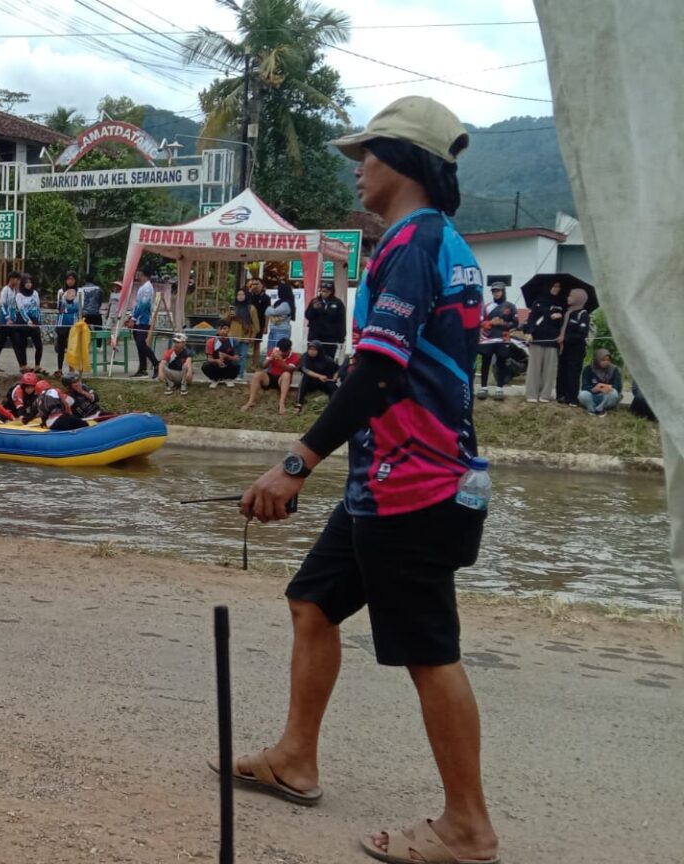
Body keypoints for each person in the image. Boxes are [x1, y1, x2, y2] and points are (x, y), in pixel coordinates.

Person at [230, 95, 499, 864]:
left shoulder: (412, 244)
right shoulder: (438, 241)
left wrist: (294, 463)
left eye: (368, 155)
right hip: (386, 479)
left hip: (416, 483)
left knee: (428, 651)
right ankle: (295, 756)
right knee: (313, 601)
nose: (359, 171)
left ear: (406, 162)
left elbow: (379, 372)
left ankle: (468, 827)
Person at [524, 280, 565, 403]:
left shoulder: (561, 304)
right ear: (548, 287)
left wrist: (560, 316)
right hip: (537, 339)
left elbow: (565, 324)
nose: (556, 289)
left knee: (549, 370)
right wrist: (530, 332)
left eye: (558, 286)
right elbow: (531, 320)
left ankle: (545, 395)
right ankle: (532, 393)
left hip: (553, 341)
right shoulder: (537, 302)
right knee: (534, 368)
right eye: (554, 286)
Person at [476, 281, 518, 399]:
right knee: (485, 362)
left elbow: (515, 323)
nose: (496, 293)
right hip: (488, 339)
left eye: (498, 291)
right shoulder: (487, 307)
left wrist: (502, 323)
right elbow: (480, 322)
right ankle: (483, 387)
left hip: (503, 339)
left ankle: (500, 388)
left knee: (502, 363)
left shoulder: (510, 306)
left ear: (503, 291)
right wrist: (489, 323)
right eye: (494, 291)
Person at [241, 337, 299, 413]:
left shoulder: (295, 356)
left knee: (286, 374)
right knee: (257, 374)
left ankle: (281, 403)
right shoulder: (273, 351)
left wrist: (280, 359)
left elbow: (289, 369)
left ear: (289, 349)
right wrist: (270, 358)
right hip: (271, 377)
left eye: (284, 352)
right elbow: (264, 366)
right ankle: (251, 401)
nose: (281, 353)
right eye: (280, 350)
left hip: (282, 380)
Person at [554, 288, 591, 406]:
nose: (568, 298)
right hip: (564, 349)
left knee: (573, 374)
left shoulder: (583, 314)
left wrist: (566, 338)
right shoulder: (567, 313)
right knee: (562, 373)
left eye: (571, 296)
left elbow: (582, 333)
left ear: (578, 299)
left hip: (576, 350)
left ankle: (572, 398)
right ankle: (561, 395)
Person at [125, 269, 157, 378]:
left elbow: (143, 304)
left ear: (144, 275)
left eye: (139, 274)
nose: (138, 276)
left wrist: (133, 318)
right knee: (139, 346)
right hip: (138, 320)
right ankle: (142, 369)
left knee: (141, 343)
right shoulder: (142, 287)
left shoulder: (147, 287)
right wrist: (130, 316)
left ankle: (156, 364)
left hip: (143, 320)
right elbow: (137, 304)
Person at [227, 282, 263, 379]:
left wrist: (252, 337)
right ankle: (232, 374)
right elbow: (226, 322)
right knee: (233, 356)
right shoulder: (232, 307)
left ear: (246, 296)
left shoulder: (251, 308)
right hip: (232, 336)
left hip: (245, 336)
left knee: (242, 356)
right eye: (238, 294)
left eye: (242, 294)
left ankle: (240, 374)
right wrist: (230, 316)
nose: (240, 296)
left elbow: (256, 326)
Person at [305, 281, 347, 359]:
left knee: (329, 358)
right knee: (313, 358)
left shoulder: (338, 303)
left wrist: (342, 337)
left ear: (331, 292)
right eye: (321, 291)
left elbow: (341, 321)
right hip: (315, 335)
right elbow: (308, 316)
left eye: (326, 291)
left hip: (330, 337)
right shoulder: (315, 301)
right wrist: (313, 309)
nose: (323, 293)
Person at [295, 341, 340, 409]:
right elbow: (305, 369)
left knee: (334, 388)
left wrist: (335, 376)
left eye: (314, 349)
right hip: (311, 381)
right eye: (310, 349)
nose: (311, 351)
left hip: (324, 381)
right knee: (305, 377)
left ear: (319, 350)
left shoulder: (327, 359)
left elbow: (338, 369)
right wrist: (319, 376)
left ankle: (333, 406)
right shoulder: (305, 356)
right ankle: (299, 403)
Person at [577, 348, 623, 415]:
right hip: (593, 396)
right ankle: (592, 409)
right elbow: (584, 386)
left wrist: (606, 387)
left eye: (608, 360)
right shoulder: (588, 369)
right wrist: (594, 389)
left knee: (614, 393)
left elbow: (618, 386)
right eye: (603, 360)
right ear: (597, 360)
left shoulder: (614, 369)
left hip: (607, 398)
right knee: (582, 394)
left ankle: (601, 409)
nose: (606, 362)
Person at [0, 271, 23, 371]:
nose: (18, 282)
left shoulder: (14, 291)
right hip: (5, 323)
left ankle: (22, 366)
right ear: (12, 279)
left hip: (12, 322)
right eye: (17, 280)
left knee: (17, 343)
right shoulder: (5, 290)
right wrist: (6, 318)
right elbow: (2, 306)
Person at [14, 275, 45, 368]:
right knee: (23, 345)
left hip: (34, 321)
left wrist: (39, 321)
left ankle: (37, 365)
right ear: (23, 284)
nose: (29, 284)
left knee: (39, 345)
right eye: (26, 282)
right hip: (24, 322)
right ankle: (24, 365)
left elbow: (37, 307)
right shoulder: (19, 295)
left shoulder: (35, 293)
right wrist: (28, 321)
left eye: (30, 282)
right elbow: (21, 309)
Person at [54, 272, 81, 374]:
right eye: (68, 279)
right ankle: (60, 369)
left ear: (75, 280)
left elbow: (80, 308)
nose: (70, 281)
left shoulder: (79, 292)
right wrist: (62, 299)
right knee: (61, 346)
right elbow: (59, 308)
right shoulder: (61, 291)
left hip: (74, 321)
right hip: (62, 321)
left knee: (72, 346)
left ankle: (71, 369)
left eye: (72, 279)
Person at [265, 284, 295, 352]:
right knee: (270, 351)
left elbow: (273, 311)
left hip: (282, 331)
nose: (278, 292)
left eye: (279, 290)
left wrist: (269, 308)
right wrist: (270, 310)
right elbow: (267, 312)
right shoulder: (278, 302)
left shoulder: (286, 304)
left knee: (279, 351)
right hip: (273, 329)